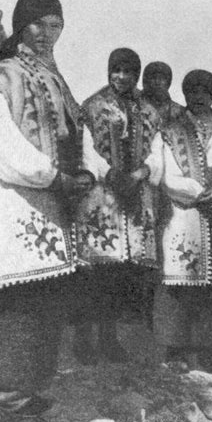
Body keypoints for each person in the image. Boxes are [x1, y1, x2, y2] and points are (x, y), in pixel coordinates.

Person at [0, 0, 107, 422]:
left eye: (56, 26)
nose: (48, 34)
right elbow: (2, 146)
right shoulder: (4, 76)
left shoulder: (53, 76)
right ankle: (10, 406)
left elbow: (77, 132)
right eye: (39, 25)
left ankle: (11, 390)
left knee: (40, 299)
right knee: (18, 302)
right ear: (21, 27)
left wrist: (87, 171)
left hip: (54, 202)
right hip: (19, 203)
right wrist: (53, 178)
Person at [145, 69, 212, 375]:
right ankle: (174, 351)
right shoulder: (169, 132)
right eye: (193, 92)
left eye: (205, 93)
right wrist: (200, 193)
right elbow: (168, 175)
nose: (199, 98)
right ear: (185, 96)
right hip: (184, 216)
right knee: (179, 287)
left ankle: (210, 354)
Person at [73, 47, 160, 365]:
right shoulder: (93, 106)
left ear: (136, 76)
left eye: (128, 72)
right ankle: (84, 340)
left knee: (120, 273)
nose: (121, 77)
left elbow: (158, 151)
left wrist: (138, 174)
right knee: (95, 270)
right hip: (101, 197)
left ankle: (109, 340)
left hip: (135, 197)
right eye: (116, 70)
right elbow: (85, 148)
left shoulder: (149, 110)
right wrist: (109, 173)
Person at [140, 61, 184, 126]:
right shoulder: (135, 104)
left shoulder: (179, 111)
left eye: (162, 78)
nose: (157, 82)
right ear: (146, 80)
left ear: (168, 82)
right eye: (153, 78)